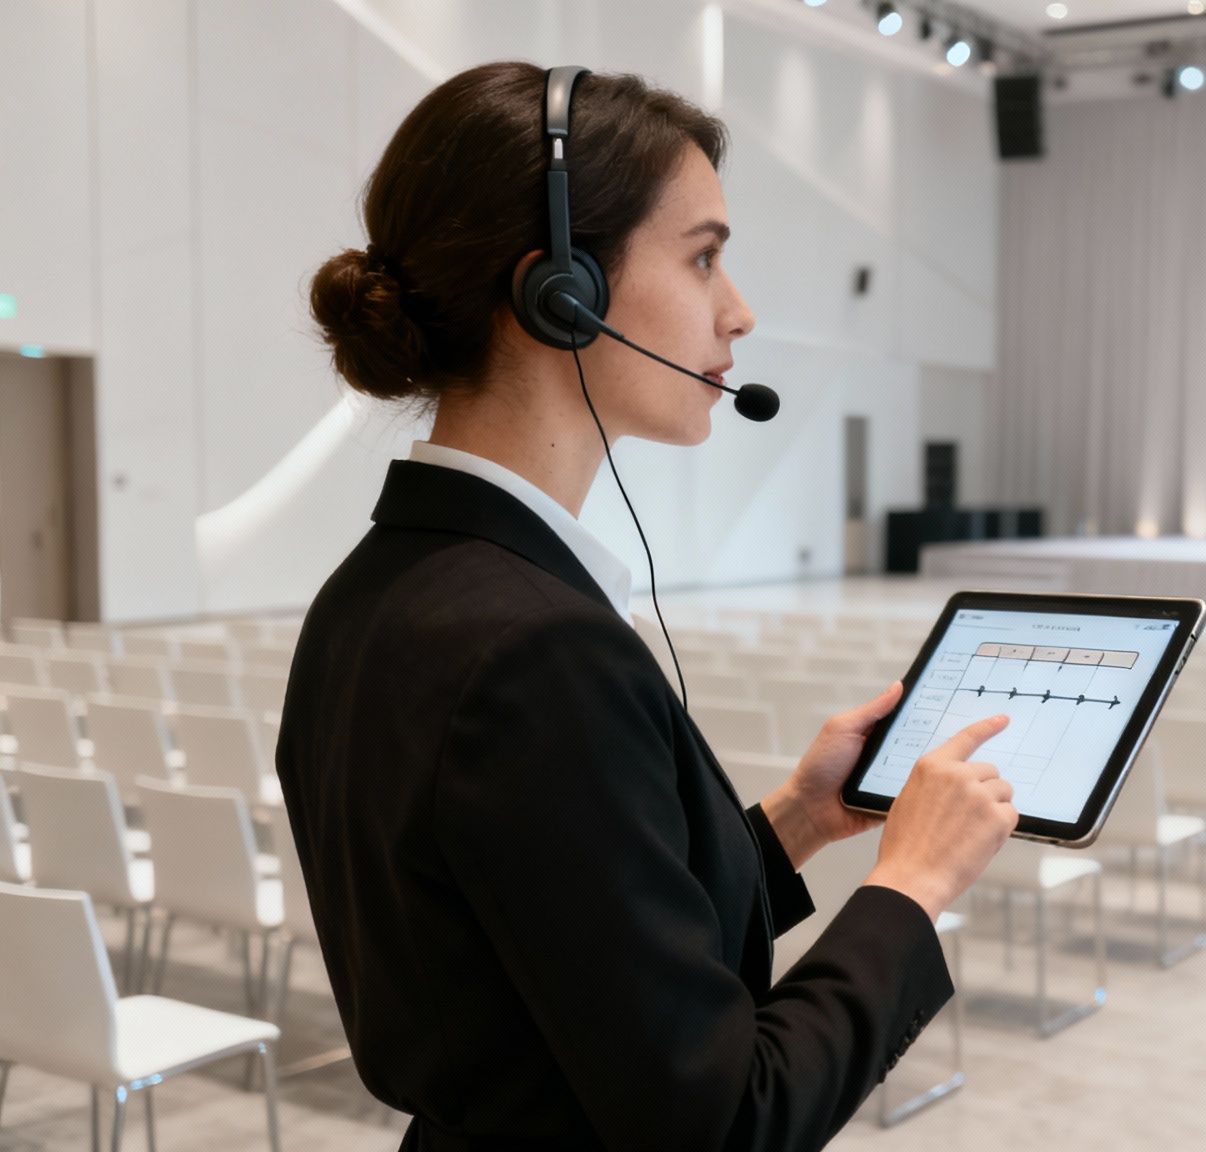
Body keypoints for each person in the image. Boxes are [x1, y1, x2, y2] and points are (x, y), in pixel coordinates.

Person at [282, 63, 1019, 1152]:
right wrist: (909, 886)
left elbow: (566, 946)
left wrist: (797, 821)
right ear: (561, 293)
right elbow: (723, 1118)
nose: (740, 310)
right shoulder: (535, 653)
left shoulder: (377, 589)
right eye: (704, 257)